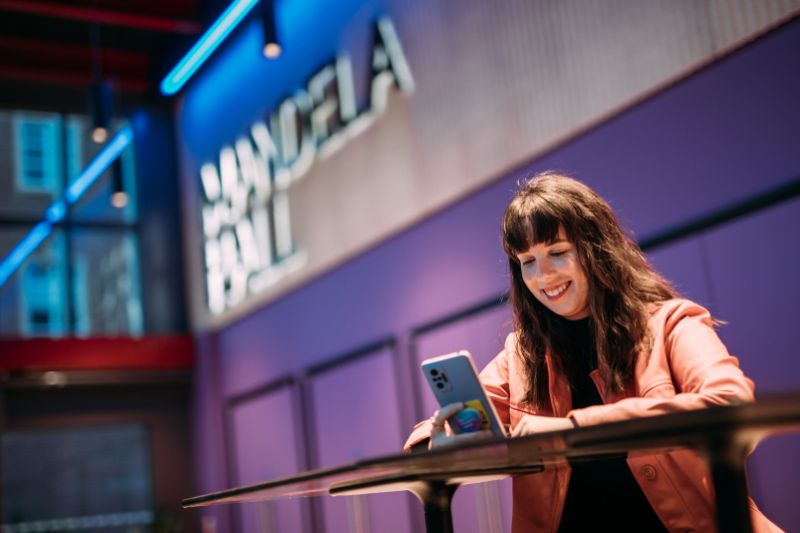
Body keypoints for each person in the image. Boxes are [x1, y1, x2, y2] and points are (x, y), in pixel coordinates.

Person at [404, 172, 782, 532]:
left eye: (558, 252)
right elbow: (431, 435)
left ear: (596, 250)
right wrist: (439, 440)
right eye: (527, 262)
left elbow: (728, 402)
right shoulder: (521, 354)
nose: (543, 276)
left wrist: (570, 431)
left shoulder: (670, 323)